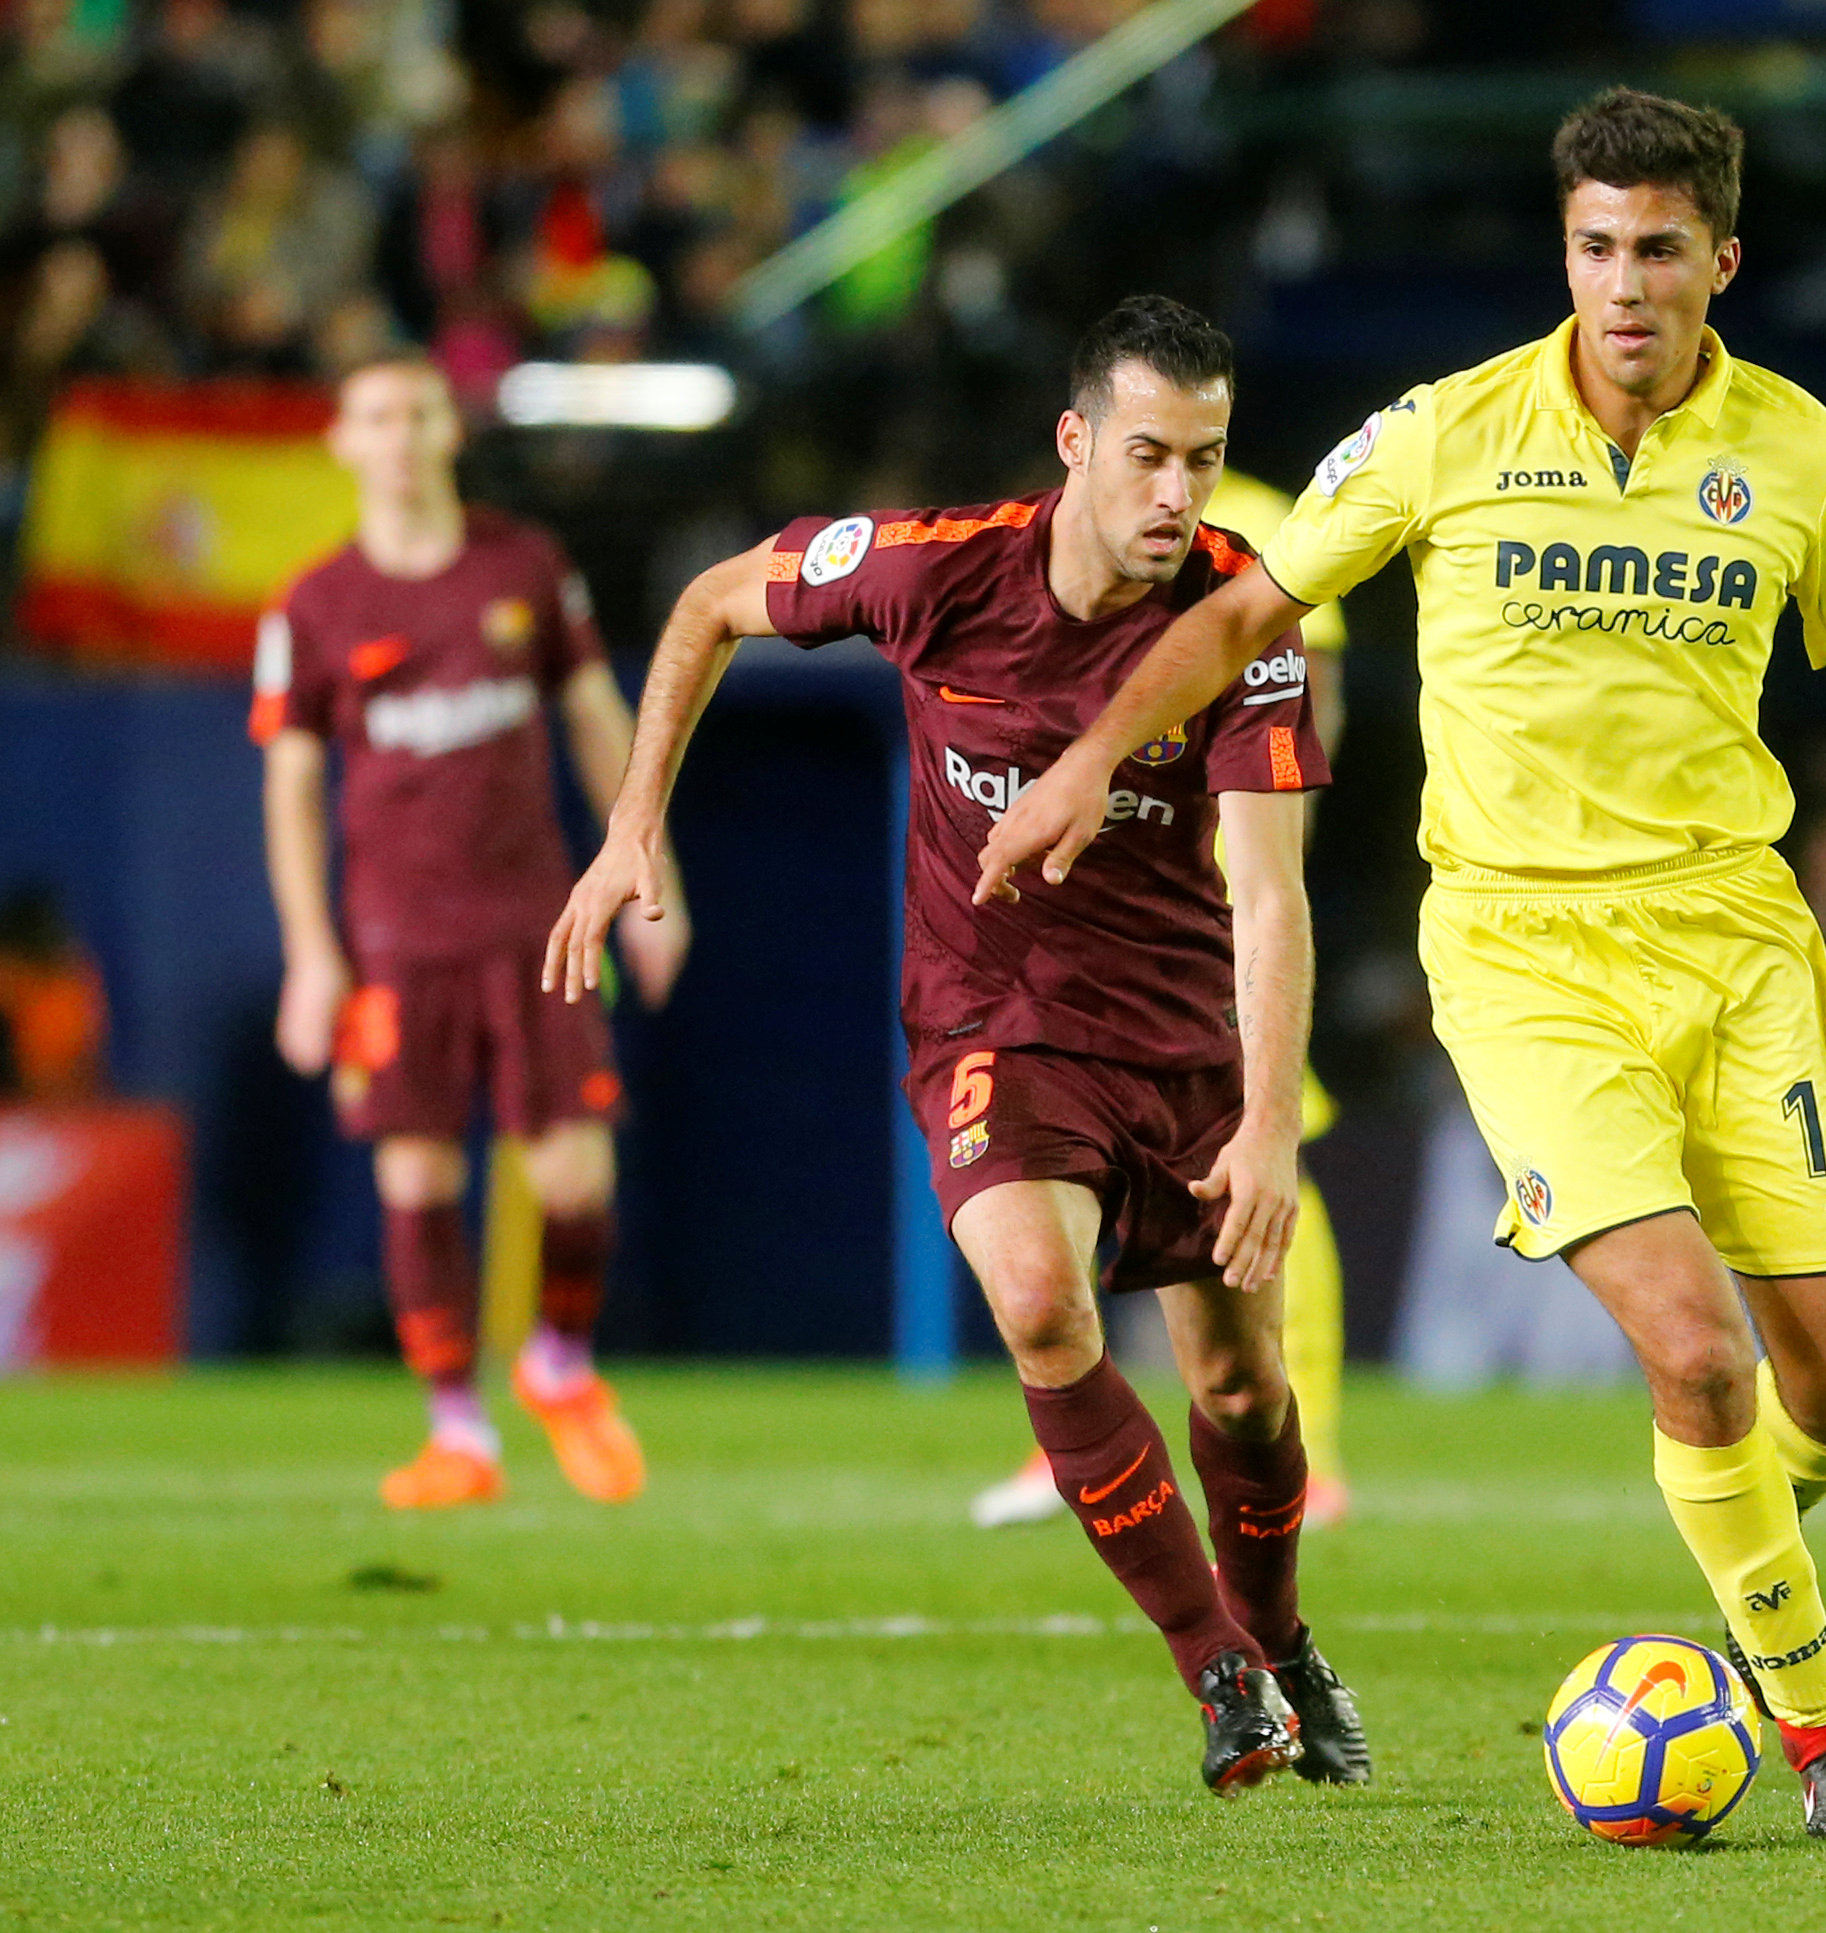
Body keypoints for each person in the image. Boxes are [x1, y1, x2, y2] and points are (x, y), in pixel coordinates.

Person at [977, 91, 1826, 1840]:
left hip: (1741, 944)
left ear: (1719, 262)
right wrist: (1083, 757)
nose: (1624, 283)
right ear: (1566, 254)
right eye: (1595, 246)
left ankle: (1740, 1571)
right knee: (1697, 1356)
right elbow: (1243, 612)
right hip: (1525, 953)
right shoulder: (1446, 433)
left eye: (1660, 249)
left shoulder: (1801, 456)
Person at [545, 296, 1368, 1796]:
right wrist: (632, 818)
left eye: (1204, 457)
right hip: (994, 1021)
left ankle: (1282, 1636)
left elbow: (1267, 890)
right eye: (1146, 457)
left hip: (1181, 1030)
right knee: (1045, 1308)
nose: (1177, 494)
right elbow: (709, 605)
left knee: (1241, 1392)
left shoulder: (1246, 612)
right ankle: (1220, 1672)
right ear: (1074, 445)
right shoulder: (938, 568)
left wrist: (1264, 1121)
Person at [255, 357, 680, 1510]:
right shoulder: (314, 603)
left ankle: (557, 1358)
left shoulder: (523, 564)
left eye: (419, 413)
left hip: (533, 919)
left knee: (575, 1170)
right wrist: (310, 949)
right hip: (396, 935)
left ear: (450, 428)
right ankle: (458, 1430)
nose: (400, 437)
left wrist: (651, 871)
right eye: (378, 417)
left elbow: (597, 717)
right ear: (344, 441)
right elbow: (291, 784)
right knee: (417, 1172)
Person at [966, 461, 1358, 1533]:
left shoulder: (1271, 523)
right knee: (1072, 1145)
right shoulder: (1065, 530)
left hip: (1214, 894)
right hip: (1096, 891)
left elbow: (1298, 704)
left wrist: (1261, 872)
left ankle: (1307, 1441)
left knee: (1269, 1155)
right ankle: (1079, 1436)